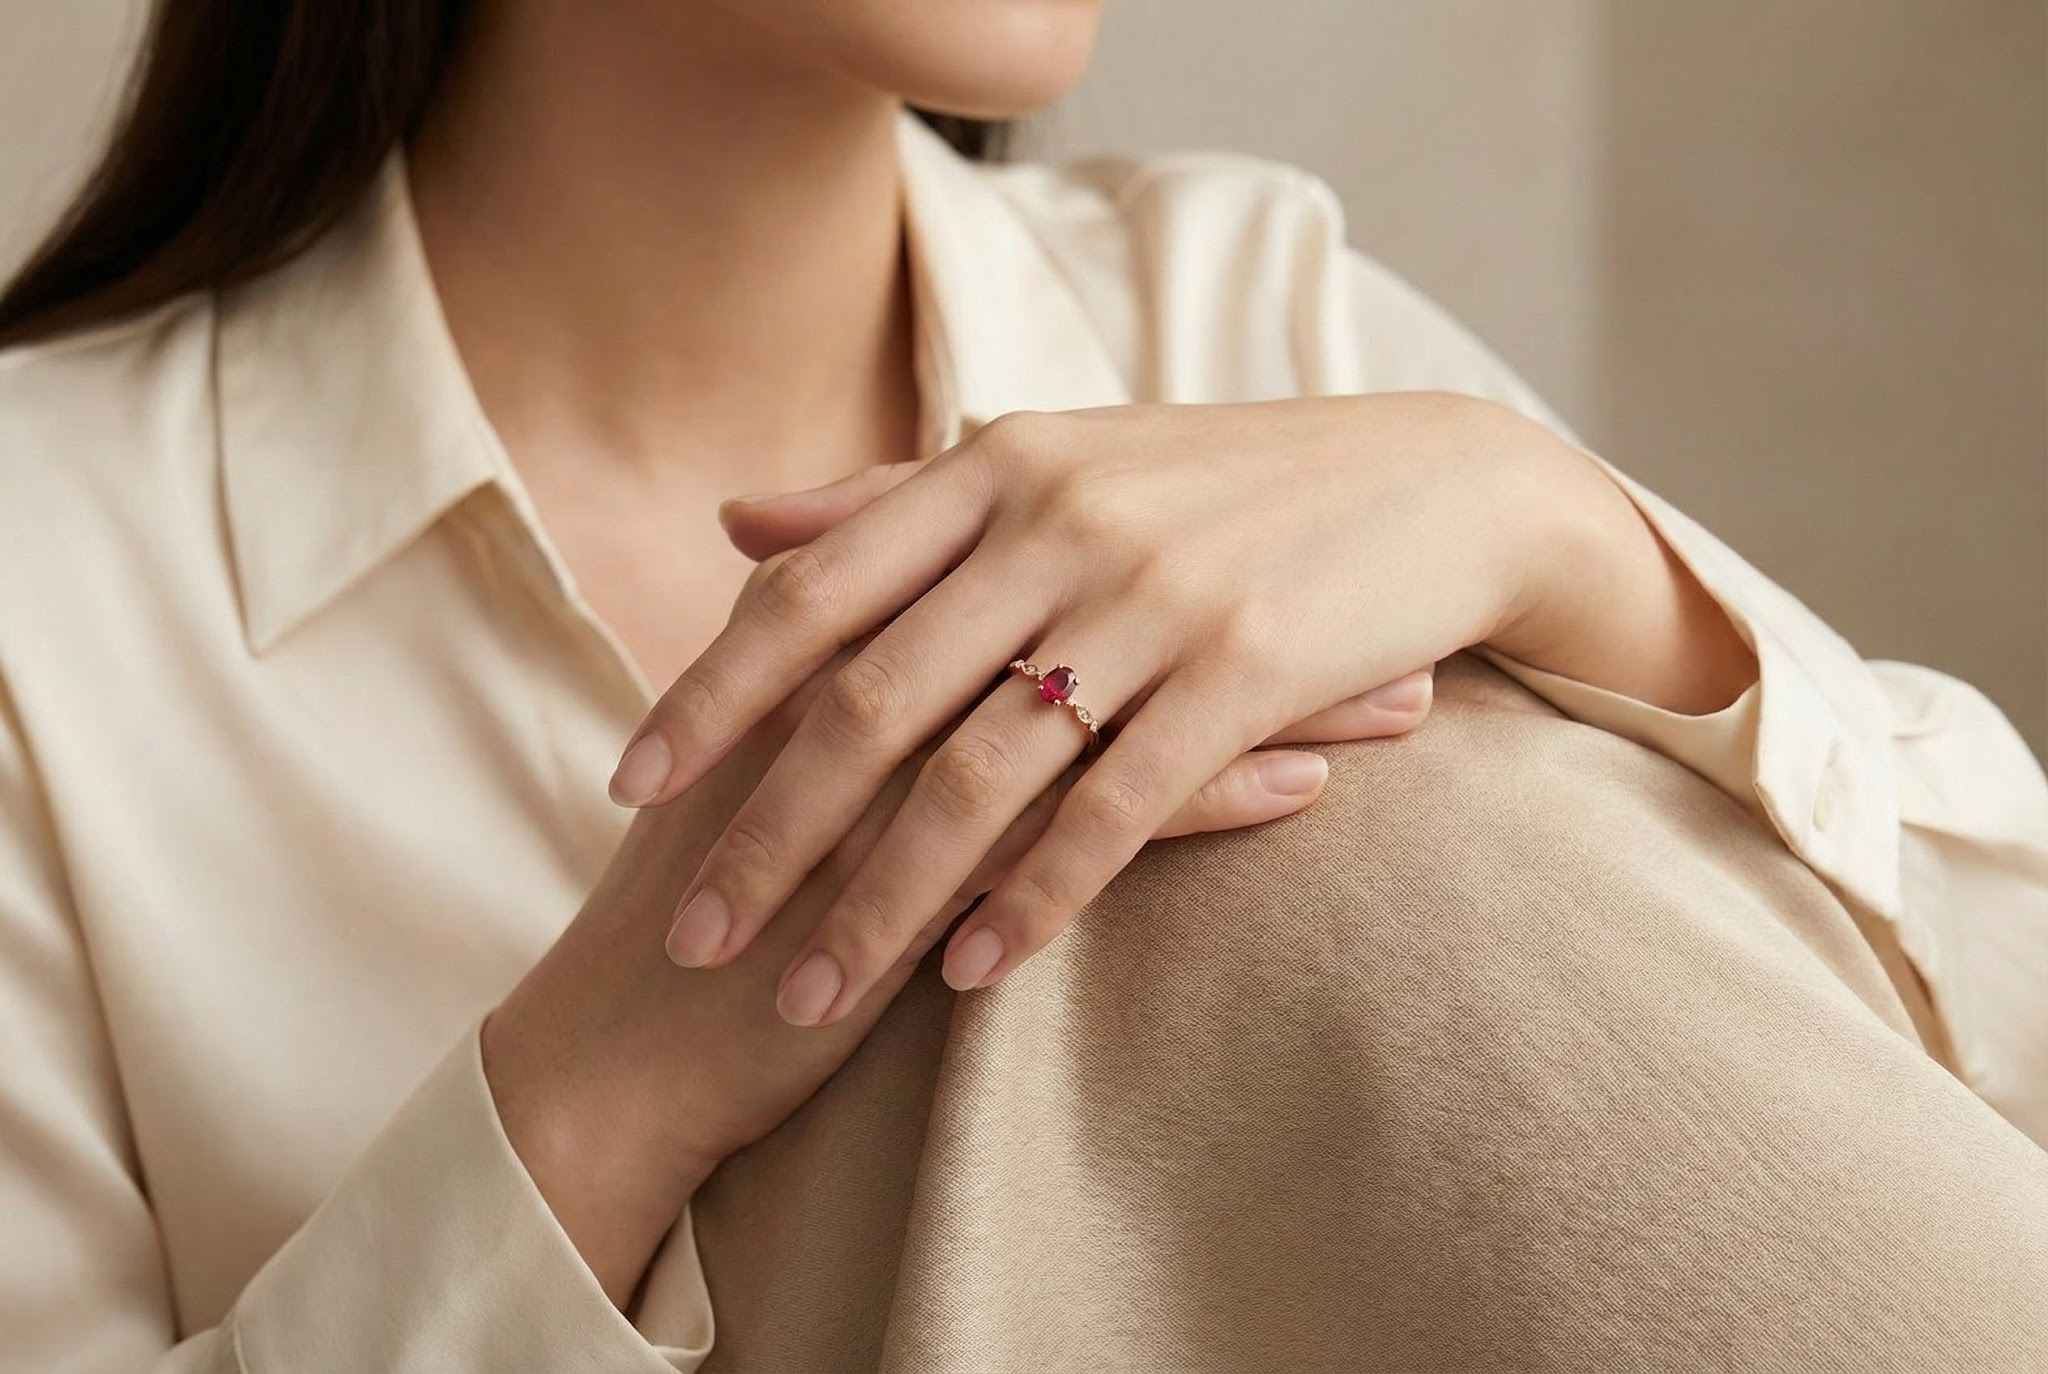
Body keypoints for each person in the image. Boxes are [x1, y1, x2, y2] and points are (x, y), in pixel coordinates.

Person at [0, 1, 2039, 1369]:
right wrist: (606, 1085)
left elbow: (1980, 1069)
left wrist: (1564, 538)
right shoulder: (47, 565)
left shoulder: (1250, 309)